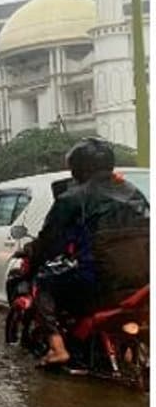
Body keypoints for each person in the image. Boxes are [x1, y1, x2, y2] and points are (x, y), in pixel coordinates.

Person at [27, 137, 150, 365]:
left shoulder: (72, 198)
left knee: (43, 282)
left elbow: (49, 242)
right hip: (144, 280)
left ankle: (57, 348)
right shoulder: (134, 192)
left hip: (99, 281)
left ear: (77, 168)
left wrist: (33, 262)